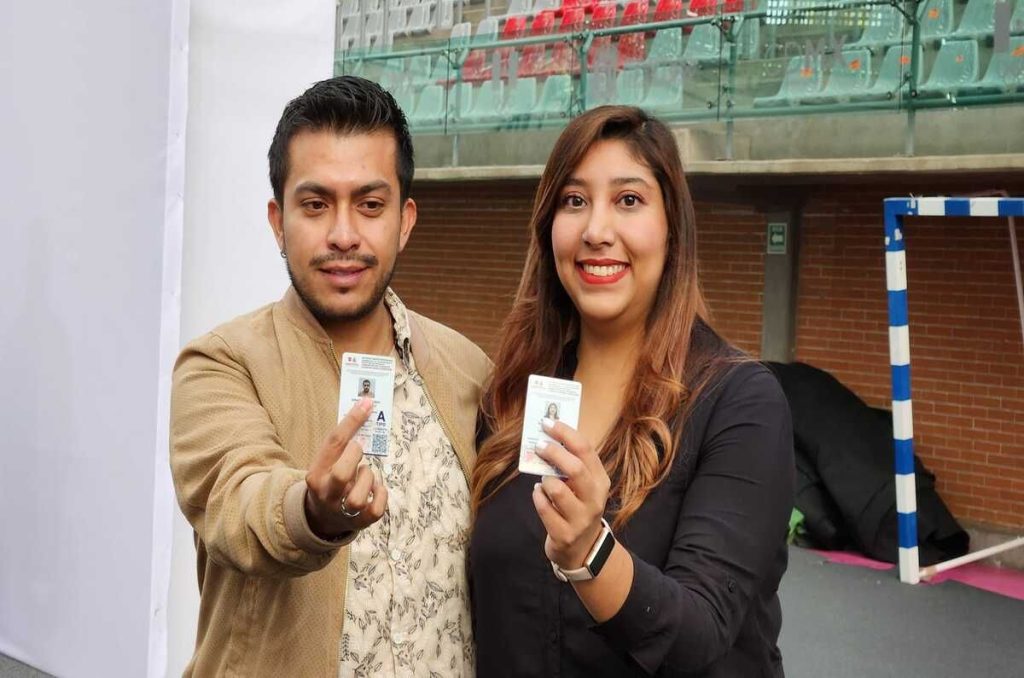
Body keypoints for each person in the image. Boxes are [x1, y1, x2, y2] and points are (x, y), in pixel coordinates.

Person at [170, 76, 490, 677]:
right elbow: (238, 503)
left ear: (405, 220)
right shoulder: (221, 364)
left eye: (370, 205)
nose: (343, 235)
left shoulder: (468, 370)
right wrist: (312, 513)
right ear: (278, 221)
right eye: (316, 205)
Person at [469, 106, 795, 677]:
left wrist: (590, 553)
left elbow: (701, 635)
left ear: (672, 229)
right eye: (574, 200)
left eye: (628, 200)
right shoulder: (511, 395)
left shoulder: (740, 403)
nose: (596, 231)